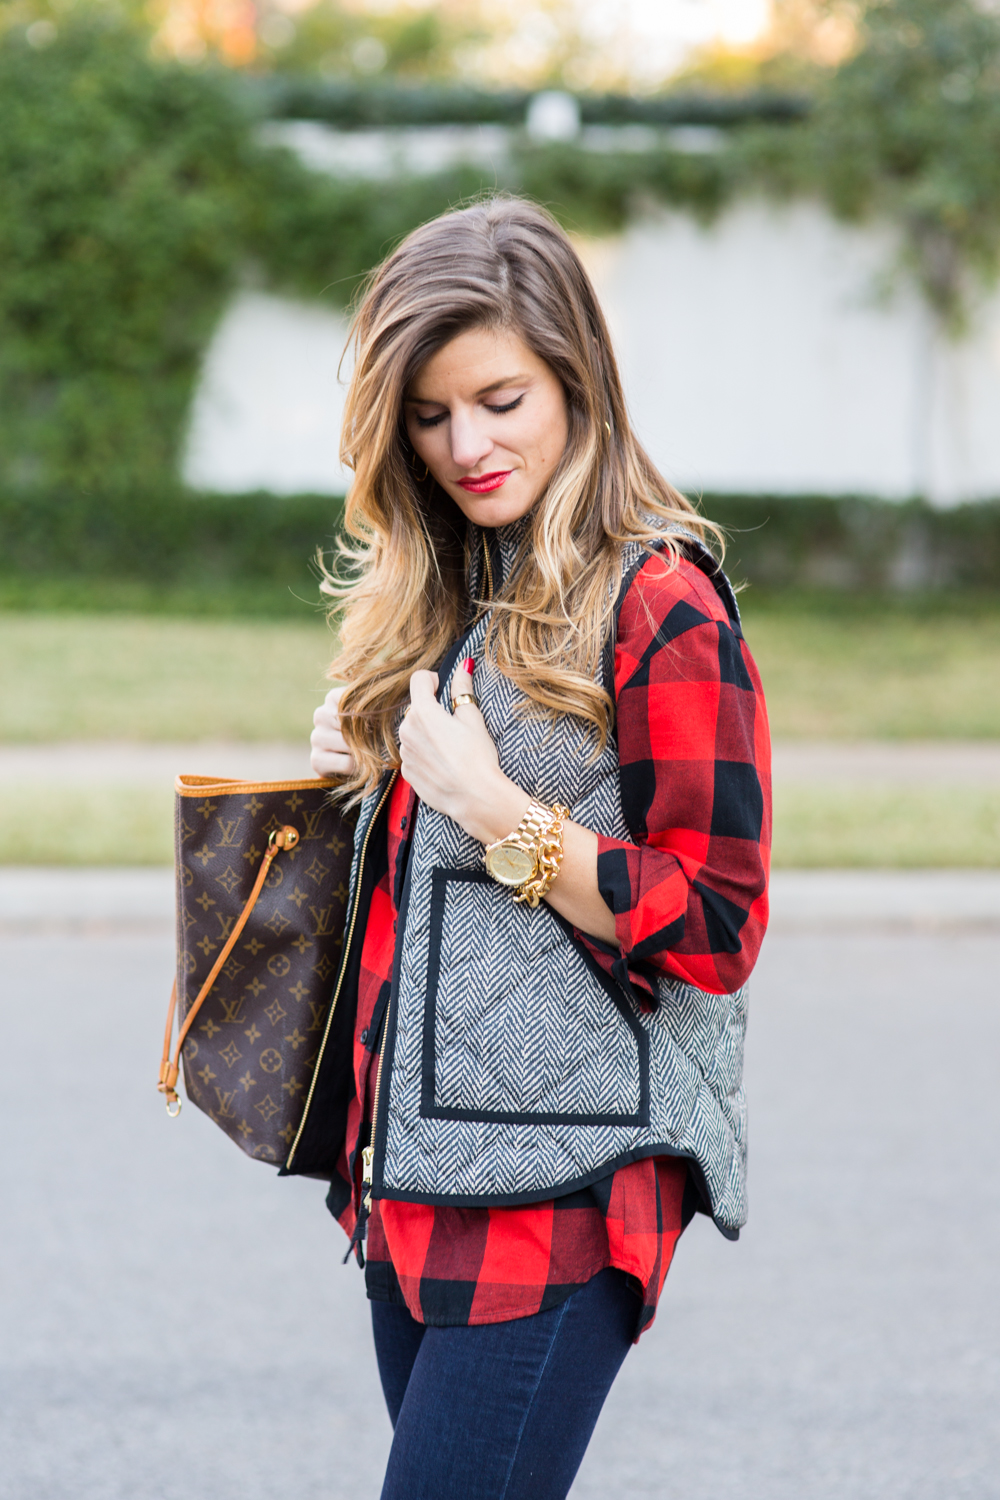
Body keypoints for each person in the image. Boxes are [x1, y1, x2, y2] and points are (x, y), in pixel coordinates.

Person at [300, 196, 771, 1500]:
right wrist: (367, 779)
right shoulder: (455, 583)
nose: (468, 444)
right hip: (414, 1174)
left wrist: (497, 811)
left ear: (576, 375)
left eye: (501, 398)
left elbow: (717, 926)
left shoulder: (660, 603)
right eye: (433, 413)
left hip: (563, 1196)